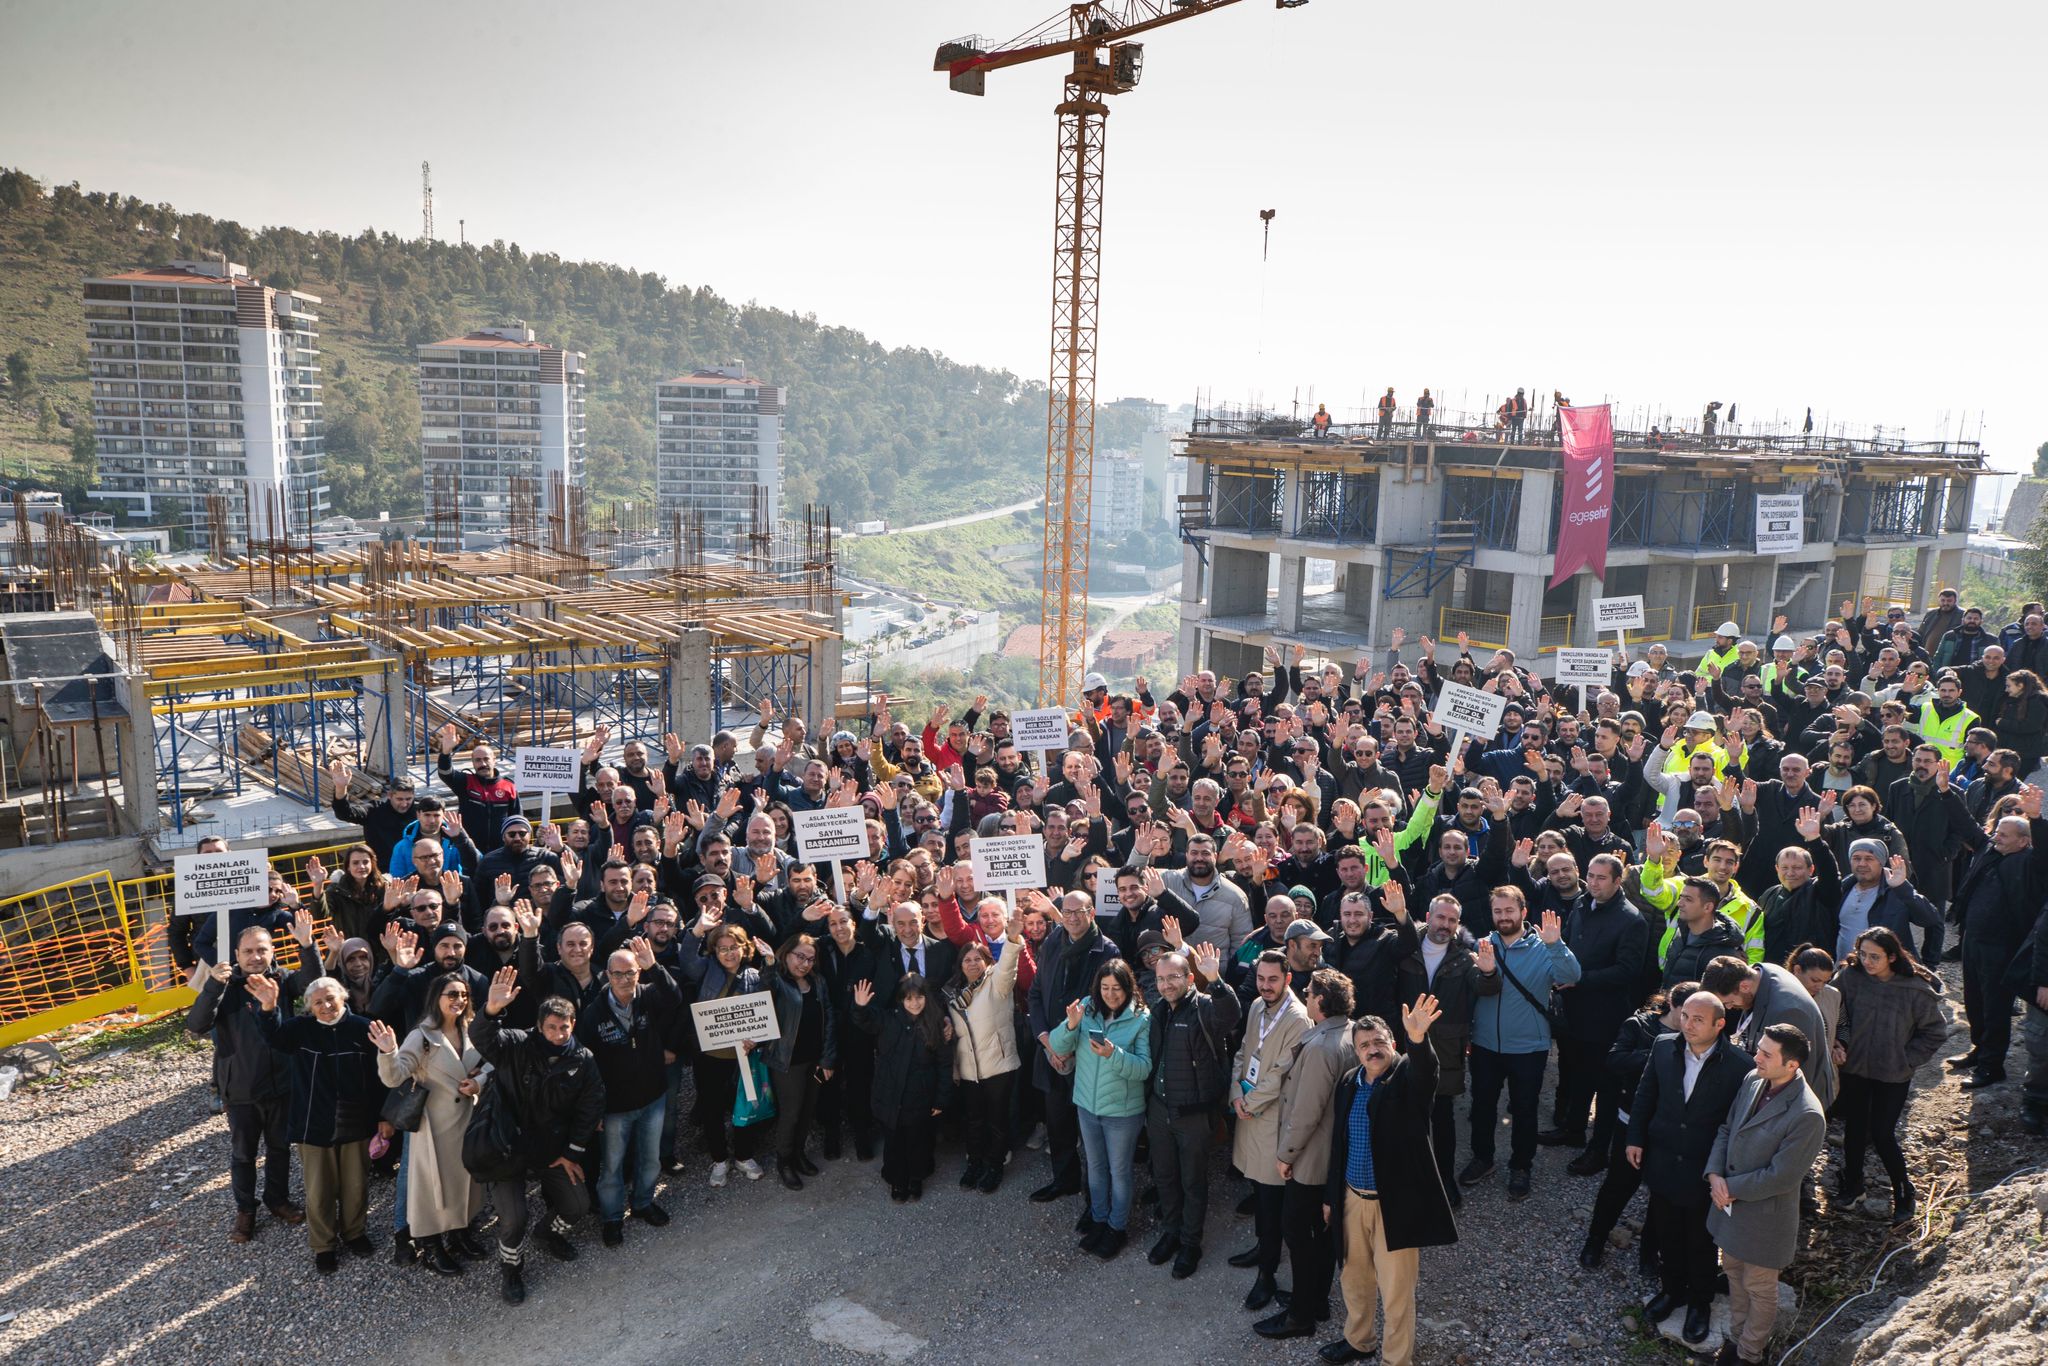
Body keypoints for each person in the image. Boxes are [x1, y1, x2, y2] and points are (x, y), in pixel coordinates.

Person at [1317, 996, 1458, 1366]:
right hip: (1352, 1199)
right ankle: (1358, 1340)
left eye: (1378, 1042)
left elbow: (1427, 1071)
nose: (1372, 1050)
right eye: (1364, 1045)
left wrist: (1418, 1039)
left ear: (1392, 1043)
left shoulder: (1407, 1078)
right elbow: (1339, 1144)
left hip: (1394, 1204)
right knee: (1353, 1278)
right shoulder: (1349, 1082)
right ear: (1356, 1052)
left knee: (1396, 1292)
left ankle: (1397, 1360)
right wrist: (1332, 1197)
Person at [467, 968, 606, 1305]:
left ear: (573, 1025)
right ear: (540, 1025)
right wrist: (490, 1012)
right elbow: (483, 1038)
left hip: (551, 1149)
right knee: (514, 1219)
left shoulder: (583, 1060)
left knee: (577, 1205)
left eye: (565, 1027)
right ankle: (511, 1267)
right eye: (551, 1027)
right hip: (508, 1148)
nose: (558, 1034)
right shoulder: (516, 1044)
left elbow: (591, 1107)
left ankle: (547, 1235)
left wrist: (572, 1153)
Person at [1627, 988, 1753, 1345]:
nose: (1688, 1024)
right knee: (1666, 1232)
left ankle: (1700, 1302)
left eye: (1698, 1019)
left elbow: (1737, 1125)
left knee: (1701, 1240)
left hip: (1704, 1169)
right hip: (1664, 1160)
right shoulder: (1663, 1046)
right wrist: (1635, 1138)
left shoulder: (1740, 1066)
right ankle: (1672, 1291)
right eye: (1685, 1016)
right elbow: (1645, 1094)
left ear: (1720, 1024)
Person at [1705, 1024, 1829, 1366]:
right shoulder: (1753, 1080)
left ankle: (1749, 1355)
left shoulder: (1807, 1114)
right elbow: (1727, 1128)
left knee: (1760, 1288)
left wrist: (1729, 1187)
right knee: (1732, 1274)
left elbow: (1782, 1176)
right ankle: (1733, 1342)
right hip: (1728, 1204)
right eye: (1759, 1048)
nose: (1755, 1056)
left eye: (1765, 1054)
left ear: (1792, 1065)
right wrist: (1714, 1174)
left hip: (1764, 1217)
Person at [248, 974, 382, 1274]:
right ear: (309, 1006)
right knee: (318, 1191)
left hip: (356, 1122)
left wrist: (384, 1118)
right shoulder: (300, 1030)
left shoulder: (364, 1029)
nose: (325, 1005)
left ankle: (355, 1233)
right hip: (313, 1124)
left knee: (356, 1185)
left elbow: (380, 1077)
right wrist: (268, 1007)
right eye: (318, 1002)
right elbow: (273, 1036)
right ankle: (324, 1246)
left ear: (343, 997)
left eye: (330, 998)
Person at [186, 926, 303, 1243]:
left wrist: (308, 945)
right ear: (236, 955)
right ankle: (245, 1211)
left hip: (281, 1085)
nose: (255, 957)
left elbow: (311, 983)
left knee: (279, 1148)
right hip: (241, 1089)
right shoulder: (224, 985)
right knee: (243, 1155)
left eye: (261, 950)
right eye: (248, 951)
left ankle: (277, 1199)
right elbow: (196, 1025)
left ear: (272, 952)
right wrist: (214, 985)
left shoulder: (283, 979)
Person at [1259, 967, 1358, 1340]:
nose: (1305, 994)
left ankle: (1300, 1316)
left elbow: (1306, 1111)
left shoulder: (1319, 1047)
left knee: (1299, 1233)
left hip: (1312, 1158)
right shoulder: (1348, 1032)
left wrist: (1286, 1154)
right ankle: (1315, 1298)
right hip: (1332, 1155)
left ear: (1320, 1000)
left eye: (1310, 991)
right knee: (1320, 1233)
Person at [1462, 891, 1581, 1200]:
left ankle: (1521, 1166)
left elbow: (1571, 975)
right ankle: (1483, 1158)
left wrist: (1556, 944)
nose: (1504, 916)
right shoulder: (1482, 945)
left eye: (1509, 910)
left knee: (1525, 1110)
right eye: (1498, 911)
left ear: (1523, 911)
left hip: (1529, 1046)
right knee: (1483, 1105)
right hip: (1486, 1044)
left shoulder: (1544, 946)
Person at [370, 971, 486, 1276]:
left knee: (466, 1181)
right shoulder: (422, 1036)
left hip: (467, 1121)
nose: (458, 1000)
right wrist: (388, 1051)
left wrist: (480, 1083)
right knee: (433, 1188)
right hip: (433, 1127)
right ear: (436, 998)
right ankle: (432, 1247)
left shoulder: (471, 1029)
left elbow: (489, 1065)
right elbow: (394, 1076)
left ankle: (460, 1234)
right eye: (451, 994)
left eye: (463, 994)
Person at [1831, 927, 1946, 1223]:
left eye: (1875, 957)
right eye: (1863, 955)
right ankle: (1853, 1185)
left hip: (1892, 1075)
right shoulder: (1849, 978)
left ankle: (1903, 1192)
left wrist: (1906, 1060)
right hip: (1855, 1069)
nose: (1867, 962)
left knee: (1882, 1134)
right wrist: (1838, 1042)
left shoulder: (1914, 989)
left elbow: (1934, 1032)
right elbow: (1835, 1011)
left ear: (1892, 957)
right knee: (1854, 1129)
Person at [1544, 854, 1649, 1165]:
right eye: (1590, 875)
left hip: (1605, 1017)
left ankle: (1598, 1149)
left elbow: (1628, 971)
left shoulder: (1632, 920)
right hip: (1574, 1011)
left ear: (1618, 881)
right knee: (1576, 1074)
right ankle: (1573, 1129)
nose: (1593, 882)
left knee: (1605, 1085)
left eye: (1601, 878)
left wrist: (1579, 980)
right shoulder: (1581, 904)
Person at [1579, 983, 1690, 1270]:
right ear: (1671, 1005)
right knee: (1618, 1185)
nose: (1691, 1023)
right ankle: (1595, 1240)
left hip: (1670, 1130)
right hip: (1632, 1122)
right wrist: (1660, 1052)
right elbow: (1615, 1060)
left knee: (1662, 1194)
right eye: (1686, 1014)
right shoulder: (1639, 1026)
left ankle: (1650, 1252)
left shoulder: (1698, 1037)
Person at [1048, 958, 1153, 1259]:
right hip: (1087, 1106)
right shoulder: (1086, 1008)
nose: (1110, 994)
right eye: (1105, 987)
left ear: (1128, 988)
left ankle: (1116, 1228)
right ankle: (1098, 1219)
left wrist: (1113, 1054)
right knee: (1095, 1169)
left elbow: (1143, 1068)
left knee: (1119, 1172)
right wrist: (1070, 1024)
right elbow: (1058, 1043)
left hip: (1122, 1112)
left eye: (1117, 988)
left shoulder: (1141, 1018)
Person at [1145, 940, 1238, 1278]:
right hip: (1159, 1110)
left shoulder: (1205, 1008)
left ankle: (1190, 1243)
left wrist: (1216, 981)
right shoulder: (1157, 1010)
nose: (1166, 984)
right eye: (1160, 979)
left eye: (1173, 977)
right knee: (1165, 1177)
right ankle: (1170, 1233)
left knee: (1193, 1181)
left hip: (1195, 1115)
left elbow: (1231, 1013)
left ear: (1188, 977)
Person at [579, 940, 680, 1245]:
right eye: (618, 974)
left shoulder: (649, 995)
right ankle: (611, 1218)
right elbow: (587, 1065)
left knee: (650, 1159)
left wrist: (654, 967)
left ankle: (643, 1203)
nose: (625, 980)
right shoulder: (592, 1014)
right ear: (607, 975)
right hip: (615, 1107)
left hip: (653, 1096)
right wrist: (594, 1108)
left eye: (631, 973)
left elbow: (675, 997)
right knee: (612, 1167)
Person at [1229, 949, 1313, 1312]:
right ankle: (1263, 1248)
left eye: (1273, 980)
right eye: (1261, 979)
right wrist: (1236, 1091)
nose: (1266, 986)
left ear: (1288, 979)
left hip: (1271, 1117)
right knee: (1257, 1190)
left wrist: (1250, 1102)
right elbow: (1244, 1051)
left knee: (1270, 1200)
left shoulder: (1299, 1019)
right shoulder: (1255, 1008)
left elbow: (1283, 1072)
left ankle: (1267, 1273)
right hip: (1248, 1111)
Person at [1027, 889, 1118, 1208]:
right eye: (1067, 912)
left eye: (1080, 911)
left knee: (1093, 1134)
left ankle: (1097, 1199)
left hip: (1086, 1057)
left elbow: (1110, 1007)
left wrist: (1069, 1047)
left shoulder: (1106, 951)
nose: (1073, 917)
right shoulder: (1052, 943)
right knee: (1058, 1123)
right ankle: (1064, 1181)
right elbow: (1036, 994)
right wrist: (1046, 1040)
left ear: (1092, 913)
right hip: (1050, 1051)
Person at [1949, 802, 2048, 1090]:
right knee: (1974, 1000)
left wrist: (2037, 818)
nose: (1996, 838)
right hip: (1973, 941)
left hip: (2002, 947)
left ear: (2024, 841)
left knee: (1995, 1007)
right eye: (1997, 833)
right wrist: (1945, 792)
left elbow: (2045, 852)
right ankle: (1979, 1049)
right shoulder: (1989, 853)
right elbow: (1969, 828)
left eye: (2004, 835)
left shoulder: (2031, 863)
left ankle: (1992, 1066)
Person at [1396, 891, 1482, 1208]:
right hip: (1407, 1042)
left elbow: (1486, 988)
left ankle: (1444, 1180)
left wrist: (1488, 971)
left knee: (1443, 1119)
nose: (1445, 925)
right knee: (1405, 1113)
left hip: (1445, 1047)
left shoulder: (1465, 955)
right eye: (1440, 917)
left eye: (1452, 920)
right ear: (1429, 916)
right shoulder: (1404, 947)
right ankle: (1408, 1178)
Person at [677, 921, 768, 1186]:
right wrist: (695, 933)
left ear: (744, 948)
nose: (729, 953)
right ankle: (719, 1159)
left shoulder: (754, 975)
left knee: (745, 1106)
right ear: (714, 951)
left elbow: (762, 1013)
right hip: (711, 1057)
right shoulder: (706, 970)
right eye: (722, 948)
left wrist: (756, 1040)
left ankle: (744, 1155)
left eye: (734, 947)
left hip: (742, 1056)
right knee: (711, 1108)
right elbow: (686, 960)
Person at [854, 972, 955, 1202]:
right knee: (894, 1142)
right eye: (909, 998)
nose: (915, 1003)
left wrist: (941, 1099)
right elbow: (866, 1020)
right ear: (901, 1000)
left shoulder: (936, 1024)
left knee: (918, 1141)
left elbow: (944, 1064)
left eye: (919, 997)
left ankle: (916, 1178)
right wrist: (860, 1007)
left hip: (920, 1097)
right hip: (889, 1096)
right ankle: (897, 1180)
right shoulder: (889, 1019)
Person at [942, 912, 1023, 1194]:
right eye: (967, 959)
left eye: (979, 958)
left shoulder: (996, 984)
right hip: (968, 1069)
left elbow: (1008, 968)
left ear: (988, 961)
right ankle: (974, 1163)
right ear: (960, 965)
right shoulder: (953, 996)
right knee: (974, 1121)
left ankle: (995, 1166)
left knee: (997, 1121)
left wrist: (1012, 939)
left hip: (998, 1065)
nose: (973, 963)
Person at [766, 931, 839, 1190]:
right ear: (786, 954)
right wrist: (769, 966)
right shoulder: (775, 981)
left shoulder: (817, 982)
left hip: (815, 1060)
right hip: (788, 1061)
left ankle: (798, 1154)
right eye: (799, 956)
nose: (804, 963)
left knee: (808, 1111)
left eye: (810, 959)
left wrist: (827, 1058)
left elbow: (829, 1018)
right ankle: (784, 1161)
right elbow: (761, 1001)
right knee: (791, 1113)